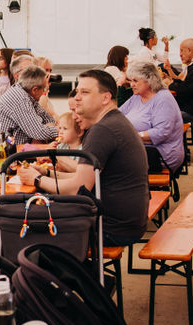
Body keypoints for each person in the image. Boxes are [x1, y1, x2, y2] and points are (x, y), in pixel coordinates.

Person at [29, 69, 148, 247]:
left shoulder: (103, 130)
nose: (77, 97)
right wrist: (47, 173)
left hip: (110, 228)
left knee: (26, 224)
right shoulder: (114, 122)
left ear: (105, 98)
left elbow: (78, 188)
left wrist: (37, 180)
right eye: (77, 91)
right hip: (127, 223)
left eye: (85, 92)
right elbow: (84, 178)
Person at [120, 58, 185, 175]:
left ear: (149, 80)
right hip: (140, 150)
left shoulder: (163, 99)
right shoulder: (137, 97)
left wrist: (131, 136)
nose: (131, 84)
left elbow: (161, 132)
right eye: (131, 80)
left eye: (135, 81)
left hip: (160, 155)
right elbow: (118, 116)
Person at [0, 57, 58, 147]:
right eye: (43, 89)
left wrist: (52, 126)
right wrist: (62, 131)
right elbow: (39, 132)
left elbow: (47, 119)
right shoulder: (19, 98)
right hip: (10, 150)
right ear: (35, 90)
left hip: (20, 147)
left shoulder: (25, 91)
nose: (43, 93)